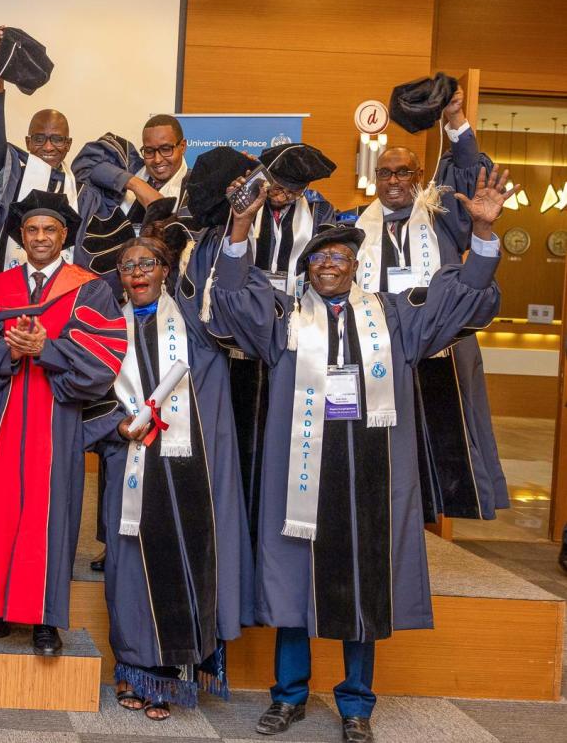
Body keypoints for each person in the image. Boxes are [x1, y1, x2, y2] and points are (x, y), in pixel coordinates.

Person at [212, 167, 509, 743]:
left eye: (339, 257)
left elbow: (461, 302)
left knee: (364, 579)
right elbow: (228, 299)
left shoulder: (394, 316)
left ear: (354, 265)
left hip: (372, 472)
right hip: (302, 471)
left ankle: (356, 704)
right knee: (294, 578)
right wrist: (241, 226)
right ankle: (289, 696)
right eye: (318, 258)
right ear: (307, 269)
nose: (328, 264)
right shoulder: (284, 321)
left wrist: (483, 237)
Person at [83, 217, 252, 722]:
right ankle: (134, 669)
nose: (137, 271)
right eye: (127, 265)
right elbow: (86, 396)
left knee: (186, 559)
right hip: (131, 461)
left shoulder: (195, 327)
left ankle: (174, 677)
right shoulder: (106, 329)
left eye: (147, 263)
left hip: (190, 468)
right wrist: (117, 428)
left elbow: (227, 294)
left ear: (165, 270)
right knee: (129, 567)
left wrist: (235, 225)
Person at [0, 190, 124, 657]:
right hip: (4, 411)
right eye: (32, 230)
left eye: (50, 229)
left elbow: (103, 357)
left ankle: (46, 621)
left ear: (64, 236)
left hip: (58, 415)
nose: (41, 237)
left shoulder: (88, 287)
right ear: (21, 236)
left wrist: (45, 350)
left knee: (52, 514)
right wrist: (9, 351)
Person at [346, 89, 505, 522]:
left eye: (403, 172)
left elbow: (470, 171)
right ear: (375, 177)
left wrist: (456, 120)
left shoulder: (441, 215)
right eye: (384, 173)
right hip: (379, 350)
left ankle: (432, 518)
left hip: (440, 348)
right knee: (382, 446)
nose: (393, 181)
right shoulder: (352, 226)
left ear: (418, 176)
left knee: (439, 445)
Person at [226, 143, 338, 544]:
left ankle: (278, 528)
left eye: (295, 189)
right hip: (236, 346)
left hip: (293, 340)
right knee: (239, 440)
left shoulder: (323, 216)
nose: (284, 194)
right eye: (279, 184)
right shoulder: (237, 204)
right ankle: (238, 530)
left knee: (283, 441)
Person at [0, 26, 79, 272]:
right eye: (39, 139)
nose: (48, 146)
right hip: (6, 289)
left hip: (63, 295)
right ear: (28, 143)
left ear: (69, 144)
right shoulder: (10, 178)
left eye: (57, 139)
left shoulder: (81, 191)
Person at [72, 117, 190, 277]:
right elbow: (85, 165)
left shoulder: (194, 187)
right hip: (115, 283)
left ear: (182, 146)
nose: (157, 159)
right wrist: (136, 184)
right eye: (149, 151)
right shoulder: (131, 167)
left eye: (166, 149)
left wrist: (159, 208)